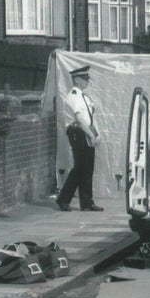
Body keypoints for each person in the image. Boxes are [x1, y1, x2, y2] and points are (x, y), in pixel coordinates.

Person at [56, 65, 103, 212]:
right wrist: (91, 135)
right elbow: (80, 120)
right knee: (80, 167)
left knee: (87, 168)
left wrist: (97, 133)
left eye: (87, 78)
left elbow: (90, 118)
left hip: (86, 132)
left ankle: (87, 202)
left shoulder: (85, 98)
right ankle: (63, 199)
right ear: (76, 79)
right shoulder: (73, 97)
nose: (87, 81)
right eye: (84, 78)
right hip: (77, 132)